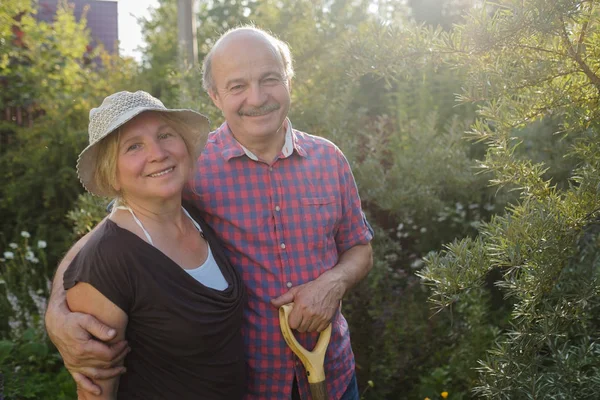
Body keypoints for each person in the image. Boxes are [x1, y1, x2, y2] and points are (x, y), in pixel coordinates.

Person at [45, 27, 373, 400]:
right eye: (237, 86)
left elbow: (359, 248)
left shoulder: (330, 161)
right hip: (251, 386)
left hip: (335, 377)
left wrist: (335, 282)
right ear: (215, 96)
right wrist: (57, 312)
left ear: (289, 81)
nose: (257, 97)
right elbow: (116, 231)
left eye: (270, 79)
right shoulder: (191, 169)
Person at [59, 90, 246, 399]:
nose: (158, 153)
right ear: (112, 173)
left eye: (165, 135)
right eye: (134, 146)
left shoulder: (198, 217)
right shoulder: (108, 259)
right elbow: (96, 391)